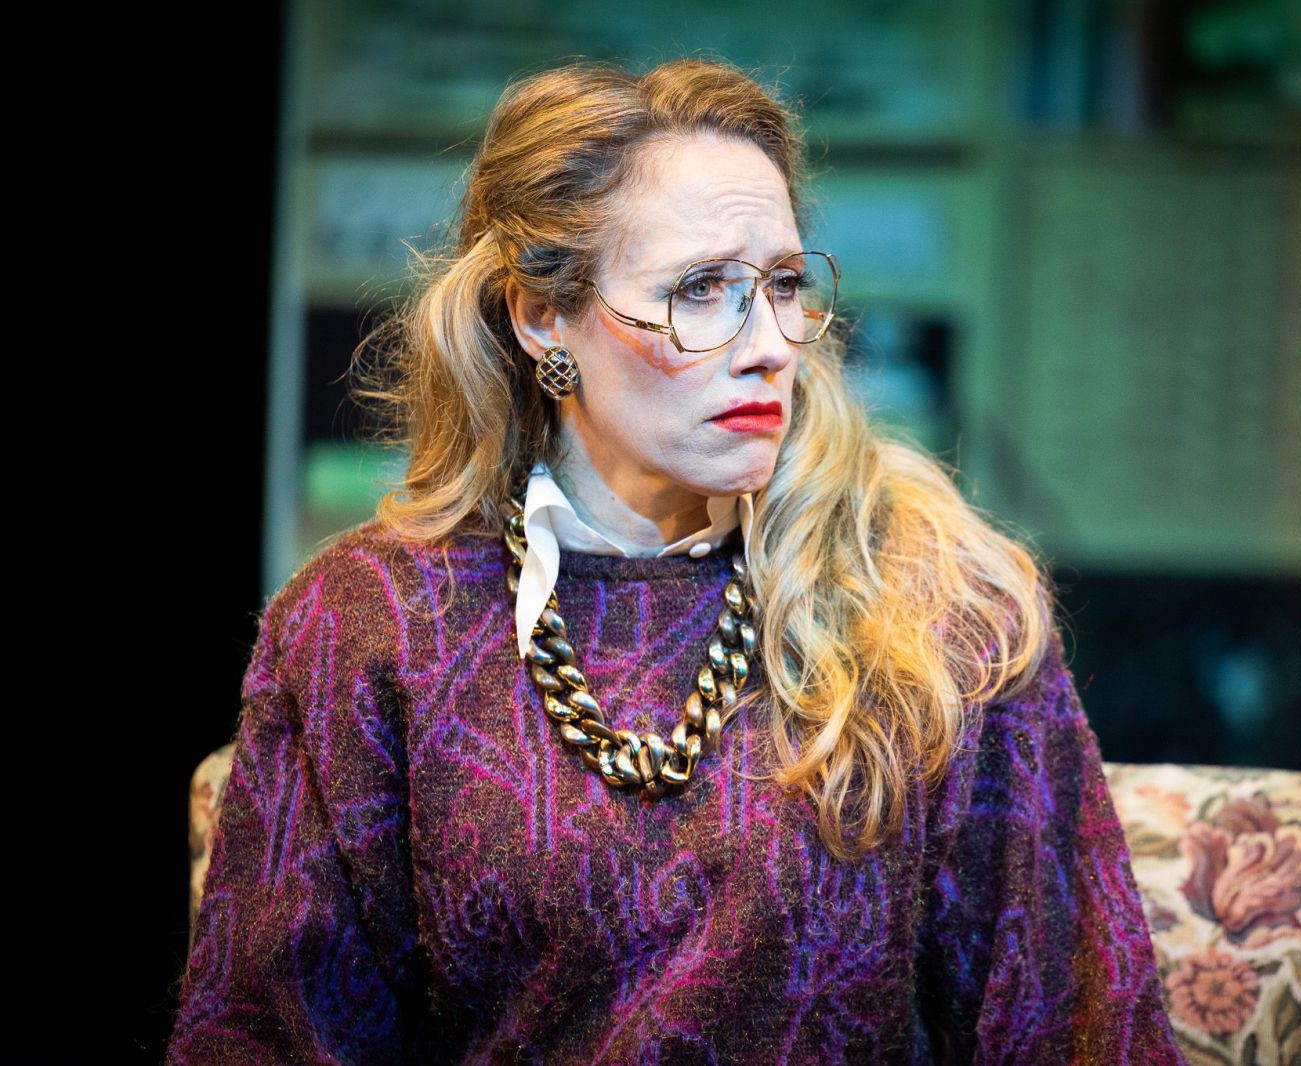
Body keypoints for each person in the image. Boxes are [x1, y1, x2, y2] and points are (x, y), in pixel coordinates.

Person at [165, 56, 1184, 1064]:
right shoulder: (371, 621)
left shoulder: (939, 600)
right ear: (542, 316)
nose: (771, 343)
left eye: (783, 285)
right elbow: (267, 1034)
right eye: (701, 289)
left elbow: (1079, 1029)